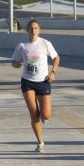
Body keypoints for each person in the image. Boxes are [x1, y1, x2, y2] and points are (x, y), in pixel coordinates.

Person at [12, 19, 60, 152]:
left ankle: (44, 115)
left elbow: (56, 58)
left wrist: (53, 72)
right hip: (27, 82)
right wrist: (17, 64)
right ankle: (40, 143)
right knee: (34, 114)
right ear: (27, 30)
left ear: (39, 30)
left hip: (43, 81)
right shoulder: (22, 45)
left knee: (46, 115)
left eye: (36, 28)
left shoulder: (45, 43)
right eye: (31, 28)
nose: (33, 31)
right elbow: (14, 62)